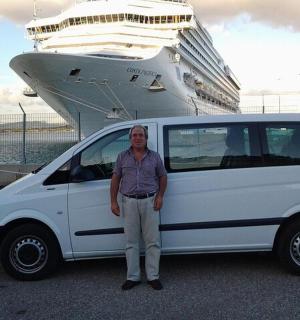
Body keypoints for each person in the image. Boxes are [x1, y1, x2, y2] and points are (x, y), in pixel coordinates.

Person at [110, 125, 167, 291]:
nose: (137, 138)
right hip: (129, 202)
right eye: (134, 135)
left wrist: (160, 196)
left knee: (152, 241)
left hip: (150, 202)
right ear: (130, 138)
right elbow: (115, 179)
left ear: (146, 138)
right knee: (131, 242)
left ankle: (153, 276)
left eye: (141, 135)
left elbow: (163, 177)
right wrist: (113, 201)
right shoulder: (122, 157)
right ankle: (133, 277)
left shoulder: (155, 157)